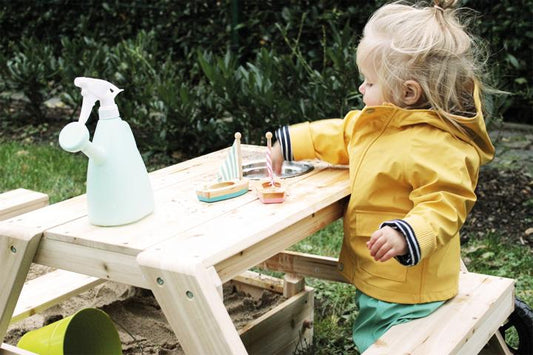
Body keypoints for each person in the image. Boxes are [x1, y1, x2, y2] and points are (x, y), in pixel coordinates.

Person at [271, 0, 495, 352]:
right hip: (382, 273)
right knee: (371, 322)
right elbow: (344, 134)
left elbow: (445, 203)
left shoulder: (438, 145)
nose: (362, 89)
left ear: (408, 92)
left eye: (370, 82)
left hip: (408, 289)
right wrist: (291, 142)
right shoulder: (382, 121)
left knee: (381, 339)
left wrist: (407, 233)